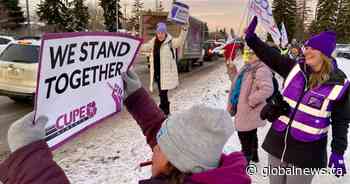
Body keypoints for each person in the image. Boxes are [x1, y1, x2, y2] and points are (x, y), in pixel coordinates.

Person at [0, 71, 251, 184]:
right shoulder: (206, 167)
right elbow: (165, 136)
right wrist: (136, 97)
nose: (153, 149)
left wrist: (28, 158)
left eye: (159, 148)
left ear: (176, 164)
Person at [245, 16, 350, 184]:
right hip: (278, 142)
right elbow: (270, 55)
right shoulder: (295, 69)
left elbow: (341, 121)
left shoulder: (340, 84)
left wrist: (338, 151)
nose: (306, 51)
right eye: (306, 47)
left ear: (324, 53)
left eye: (312, 48)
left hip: (307, 152)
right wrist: (252, 39)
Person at [227, 47, 274, 163]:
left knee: (244, 137)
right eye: (247, 53)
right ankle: (254, 156)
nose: (248, 55)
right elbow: (237, 84)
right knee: (251, 133)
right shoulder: (248, 67)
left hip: (247, 110)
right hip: (242, 108)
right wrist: (232, 70)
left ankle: (245, 164)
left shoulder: (261, 69)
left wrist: (251, 101)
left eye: (252, 53)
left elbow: (267, 89)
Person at [141, 22, 188, 116]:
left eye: (162, 33)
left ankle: (165, 112)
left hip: (166, 73)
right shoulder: (154, 42)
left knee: (163, 93)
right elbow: (145, 47)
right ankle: (163, 110)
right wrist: (136, 45)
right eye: (159, 33)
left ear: (165, 33)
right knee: (161, 93)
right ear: (156, 33)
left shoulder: (170, 42)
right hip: (157, 73)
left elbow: (180, 41)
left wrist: (184, 30)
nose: (160, 35)